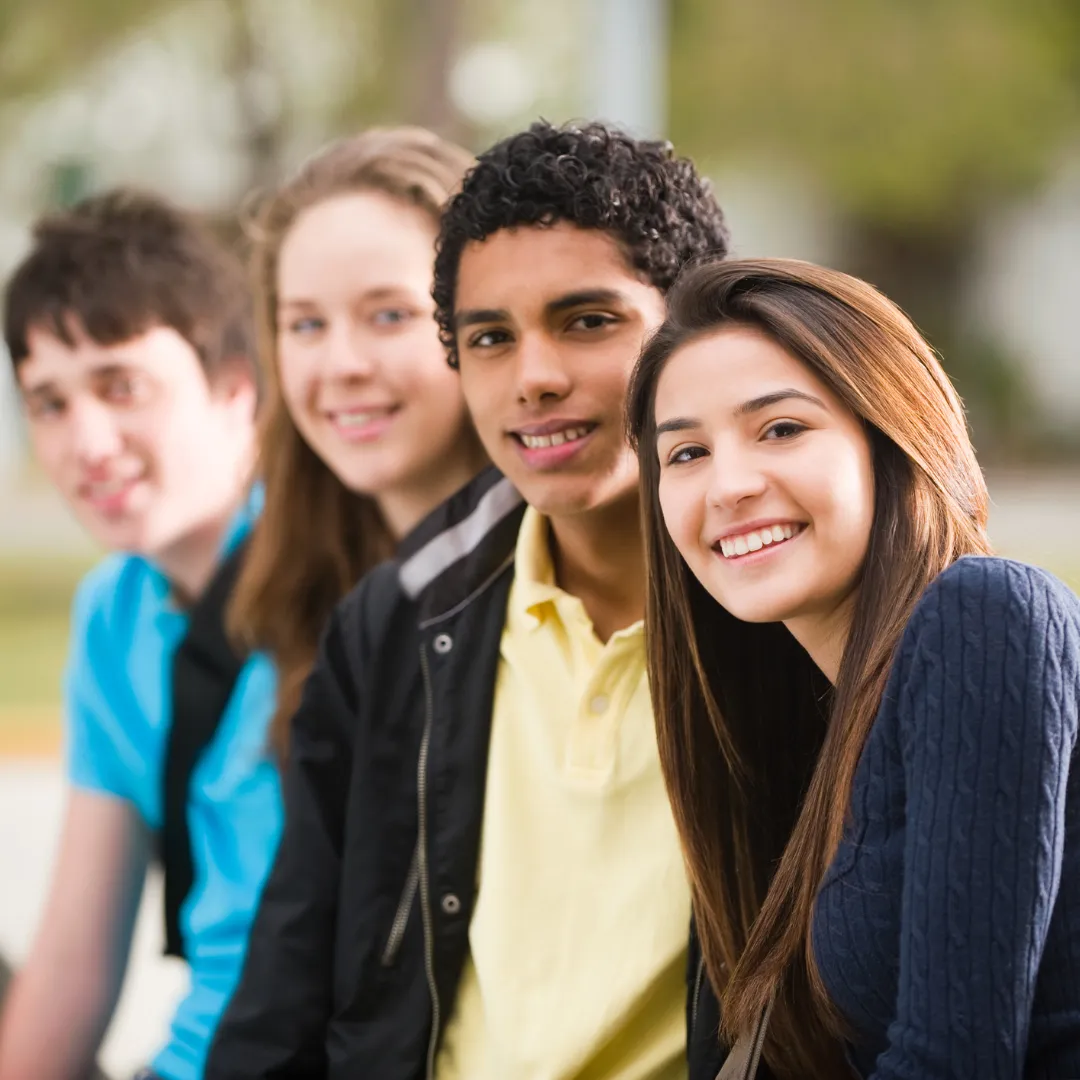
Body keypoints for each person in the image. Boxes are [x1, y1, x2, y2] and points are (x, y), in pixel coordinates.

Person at [206, 120, 730, 1080]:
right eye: (490, 338)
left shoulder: (784, 614)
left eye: (587, 321)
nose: (535, 376)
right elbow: (283, 997)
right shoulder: (393, 621)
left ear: (696, 328)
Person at [627, 256, 1080, 1079]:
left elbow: (955, 1063)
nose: (728, 485)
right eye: (685, 453)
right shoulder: (802, 714)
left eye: (781, 429)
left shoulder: (986, 615)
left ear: (891, 435)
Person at [0, 190, 279, 1080]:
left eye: (121, 386)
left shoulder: (334, 574)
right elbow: (73, 960)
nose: (86, 441)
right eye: (48, 402)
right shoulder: (114, 613)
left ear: (236, 389)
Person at [229, 126, 487, 757]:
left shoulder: (558, 599)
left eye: (389, 315)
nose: (341, 364)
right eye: (307, 323)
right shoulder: (293, 584)